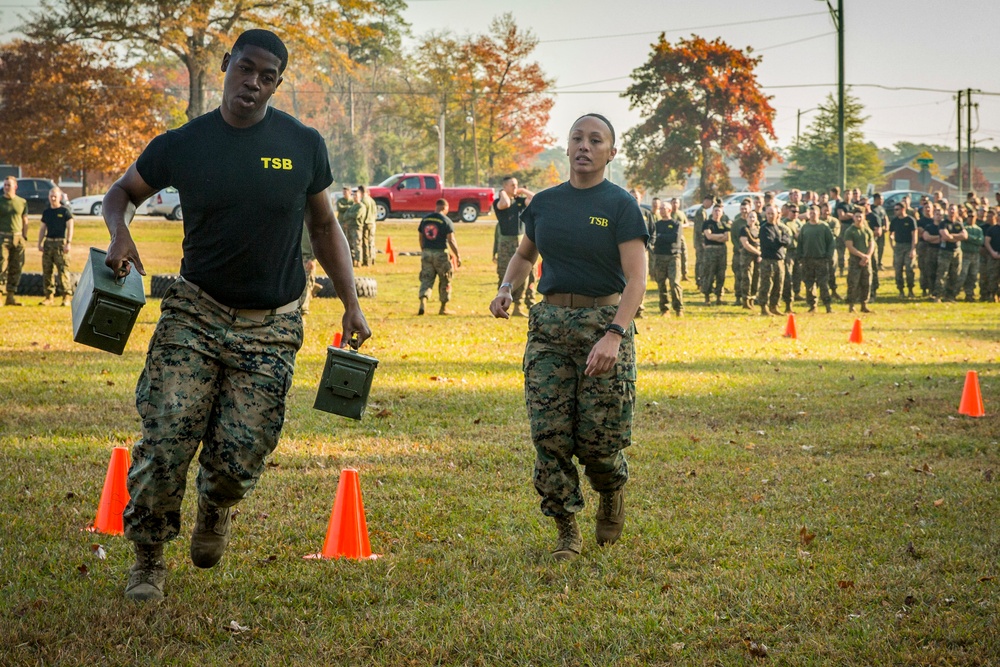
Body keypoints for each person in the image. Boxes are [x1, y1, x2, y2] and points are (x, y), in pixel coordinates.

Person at [101, 29, 371, 602]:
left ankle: (216, 507)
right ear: (227, 65)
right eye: (245, 69)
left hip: (271, 324)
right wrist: (120, 234)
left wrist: (351, 301)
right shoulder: (184, 143)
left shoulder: (302, 143)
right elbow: (120, 192)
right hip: (194, 313)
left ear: (278, 83)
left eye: (268, 76)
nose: (253, 83)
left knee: (241, 451)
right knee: (167, 436)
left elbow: (324, 227)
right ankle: (148, 558)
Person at [489, 113, 647, 561]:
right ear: (567, 146)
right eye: (577, 138)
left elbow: (636, 280)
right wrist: (505, 287)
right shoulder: (544, 204)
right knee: (549, 435)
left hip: (604, 325)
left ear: (610, 153)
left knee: (599, 441)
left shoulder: (621, 205)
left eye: (595, 140)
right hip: (549, 329)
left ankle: (611, 488)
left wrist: (615, 334)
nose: (584, 146)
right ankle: (566, 532)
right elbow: (524, 254)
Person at [493, 176, 535, 317]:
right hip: (506, 242)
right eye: (512, 185)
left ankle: (518, 306)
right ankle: (501, 304)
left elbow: (535, 200)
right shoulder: (499, 202)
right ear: (504, 186)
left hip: (520, 241)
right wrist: (502, 193)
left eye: (516, 185)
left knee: (523, 273)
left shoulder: (519, 202)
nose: (515, 187)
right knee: (505, 273)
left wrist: (522, 190)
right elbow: (504, 204)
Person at [417, 198, 461, 315]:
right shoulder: (446, 221)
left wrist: (424, 250)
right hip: (441, 253)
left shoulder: (426, 219)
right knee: (445, 280)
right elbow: (451, 240)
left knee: (426, 278)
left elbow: (421, 237)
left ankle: (423, 301)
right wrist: (458, 255)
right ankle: (443, 307)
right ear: (445, 208)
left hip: (426, 252)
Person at [37, 187, 74, 306]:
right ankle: (49, 297)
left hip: (60, 244)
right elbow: (42, 228)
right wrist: (40, 243)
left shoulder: (65, 211)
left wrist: (68, 242)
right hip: (48, 243)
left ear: (60, 197)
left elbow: (70, 227)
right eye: (51, 196)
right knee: (47, 270)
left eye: (55, 196)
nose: (53, 198)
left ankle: (66, 297)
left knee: (63, 270)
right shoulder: (46, 212)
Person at [798, 204, 835, 313]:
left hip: (821, 259)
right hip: (807, 260)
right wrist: (800, 256)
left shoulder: (824, 227)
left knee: (823, 283)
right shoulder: (805, 227)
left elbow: (831, 242)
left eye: (814, 213)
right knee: (809, 284)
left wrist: (829, 255)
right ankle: (812, 305)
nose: (812, 215)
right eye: (811, 213)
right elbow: (800, 243)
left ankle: (827, 305)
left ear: (819, 214)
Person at [0, 175, 29, 306]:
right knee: (2, 266)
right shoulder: (0, 201)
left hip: (18, 238)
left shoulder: (22, 202)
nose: (6, 187)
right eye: (5, 185)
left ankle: (10, 296)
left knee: (16, 266)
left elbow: (25, 220)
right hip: (3, 237)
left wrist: (24, 236)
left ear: (15, 187)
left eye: (8, 185)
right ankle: (1, 295)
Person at [757, 205, 790, 316]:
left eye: (773, 213)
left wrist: (780, 240)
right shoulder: (764, 228)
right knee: (766, 284)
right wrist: (781, 240)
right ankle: (764, 307)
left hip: (779, 260)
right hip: (768, 260)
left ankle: (774, 306)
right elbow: (770, 243)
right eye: (768, 214)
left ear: (777, 214)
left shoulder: (780, 227)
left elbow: (787, 240)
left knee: (778, 284)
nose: (771, 216)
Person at [652, 200, 684, 316]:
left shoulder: (676, 224)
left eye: (663, 208)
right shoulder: (656, 225)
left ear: (669, 210)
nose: (661, 210)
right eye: (660, 208)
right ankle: (664, 309)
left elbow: (674, 239)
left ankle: (678, 308)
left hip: (673, 257)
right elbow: (653, 238)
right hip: (659, 256)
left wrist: (661, 237)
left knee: (674, 282)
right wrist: (662, 237)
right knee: (661, 283)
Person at [931, 204, 967, 302]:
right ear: (947, 211)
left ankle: (950, 296)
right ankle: (938, 295)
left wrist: (952, 236)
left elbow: (965, 236)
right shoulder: (943, 223)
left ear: (956, 211)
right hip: (945, 252)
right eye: (950, 209)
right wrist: (956, 237)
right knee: (942, 274)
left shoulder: (958, 223)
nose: (952, 211)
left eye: (953, 209)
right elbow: (945, 237)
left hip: (957, 251)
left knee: (955, 274)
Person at [844, 209, 875, 313]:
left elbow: (872, 244)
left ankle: (864, 304)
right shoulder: (850, 231)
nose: (858, 219)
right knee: (853, 283)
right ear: (853, 217)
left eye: (860, 216)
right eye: (856, 216)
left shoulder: (867, 230)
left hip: (866, 260)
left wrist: (868, 256)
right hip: (855, 260)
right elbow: (850, 246)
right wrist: (861, 256)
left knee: (866, 283)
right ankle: (851, 305)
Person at [701, 200, 730, 305]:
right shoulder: (707, 223)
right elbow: (708, 236)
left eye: (719, 211)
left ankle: (719, 297)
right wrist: (719, 236)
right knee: (709, 273)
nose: (717, 213)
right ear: (712, 212)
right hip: (710, 250)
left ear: (722, 213)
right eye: (716, 210)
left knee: (721, 274)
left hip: (722, 251)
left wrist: (715, 236)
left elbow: (726, 238)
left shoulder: (724, 224)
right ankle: (707, 297)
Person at [888, 201, 917, 298]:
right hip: (898, 247)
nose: (895, 211)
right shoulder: (894, 221)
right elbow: (890, 233)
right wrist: (892, 245)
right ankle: (900, 290)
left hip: (908, 246)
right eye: (894, 209)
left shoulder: (910, 220)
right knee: (898, 269)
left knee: (909, 269)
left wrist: (913, 249)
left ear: (903, 209)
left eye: (897, 209)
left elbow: (914, 235)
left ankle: (910, 289)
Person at [737, 210, 761, 310]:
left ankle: (752, 298)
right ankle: (745, 300)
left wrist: (760, 254)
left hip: (757, 257)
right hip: (747, 257)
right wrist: (757, 252)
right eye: (750, 217)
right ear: (747, 218)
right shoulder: (744, 229)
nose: (752, 219)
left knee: (756, 277)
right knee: (747, 278)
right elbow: (746, 244)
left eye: (753, 217)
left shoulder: (758, 230)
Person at [958, 212, 984, 302]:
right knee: (962, 274)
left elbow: (980, 241)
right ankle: (954, 292)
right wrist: (973, 239)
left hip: (975, 255)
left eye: (972, 216)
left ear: (976, 217)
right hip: (965, 254)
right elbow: (962, 238)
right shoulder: (963, 227)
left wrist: (968, 237)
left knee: (973, 275)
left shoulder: (978, 229)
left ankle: (969, 294)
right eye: (969, 216)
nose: (970, 218)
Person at [358, 184, 377, 266]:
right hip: (372, 223)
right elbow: (375, 212)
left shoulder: (363, 201)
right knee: (371, 241)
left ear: (361, 192)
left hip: (366, 223)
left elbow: (363, 214)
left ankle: (366, 260)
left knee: (365, 242)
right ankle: (373, 258)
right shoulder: (372, 200)